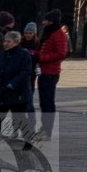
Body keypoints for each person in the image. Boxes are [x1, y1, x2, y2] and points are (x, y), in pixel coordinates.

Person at [0, 30, 35, 138]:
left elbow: (25, 72)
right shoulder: (2, 55)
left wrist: (13, 84)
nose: (5, 43)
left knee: (19, 118)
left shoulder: (23, 54)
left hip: (17, 93)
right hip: (2, 92)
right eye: (4, 41)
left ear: (16, 42)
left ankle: (29, 138)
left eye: (8, 41)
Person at [36, 10, 67, 138]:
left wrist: (42, 58)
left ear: (51, 21)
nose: (43, 22)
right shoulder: (50, 33)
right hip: (44, 71)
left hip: (50, 71)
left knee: (48, 102)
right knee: (44, 102)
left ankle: (47, 130)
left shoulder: (58, 34)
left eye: (46, 20)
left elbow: (61, 53)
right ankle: (44, 128)